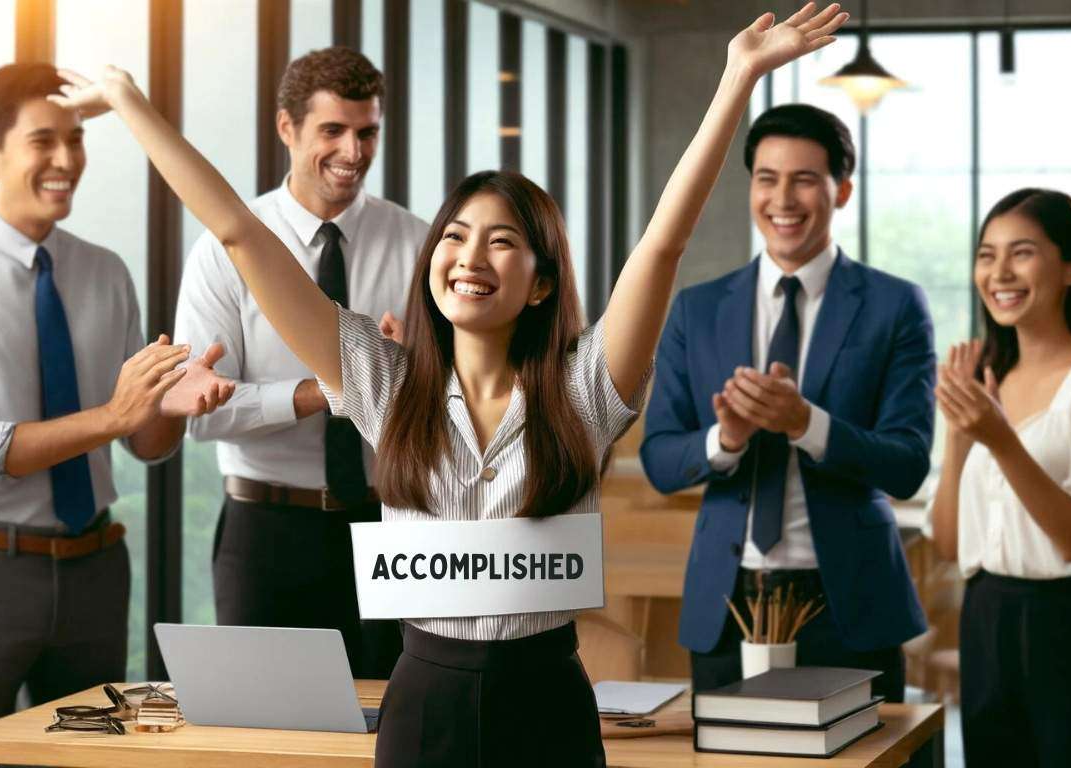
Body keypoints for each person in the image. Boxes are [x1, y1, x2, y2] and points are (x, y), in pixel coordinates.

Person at [51, 3, 847, 763]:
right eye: (456, 236)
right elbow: (238, 233)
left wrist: (736, 79)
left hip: (548, 698)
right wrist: (129, 103)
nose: (470, 256)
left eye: (502, 242)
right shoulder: (384, 384)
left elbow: (662, 247)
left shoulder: (584, 390)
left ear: (540, 282)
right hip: (425, 695)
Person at [0, 62, 232, 768]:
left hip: (94, 570)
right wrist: (113, 416)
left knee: (88, 763)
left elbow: (143, 443)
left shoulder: (106, 271)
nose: (67, 160)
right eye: (43, 141)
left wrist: (169, 406)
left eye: (76, 140)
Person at [640, 102, 932, 701]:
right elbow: (660, 461)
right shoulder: (698, 310)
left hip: (850, 603)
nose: (782, 199)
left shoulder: (895, 306)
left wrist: (806, 424)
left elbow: (907, 464)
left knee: (862, 752)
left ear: (841, 190)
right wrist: (726, 440)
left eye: (804, 180)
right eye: (767, 179)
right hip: (728, 603)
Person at [174, 47, 421, 679]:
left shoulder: (419, 244)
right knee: (265, 721)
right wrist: (325, 391)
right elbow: (201, 415)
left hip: (393, 527)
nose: (354, 152)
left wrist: (417, 370)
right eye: (333, 131)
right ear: (287, 128)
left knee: (395, 715)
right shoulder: (224, 250)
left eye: (367, 132)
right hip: (267, 531)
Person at [928, 188, 1071, 768]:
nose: (999, 272)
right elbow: (950, 545)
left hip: (1070, 630)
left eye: (1022, 252)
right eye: (986, 255)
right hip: (983, 624)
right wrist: (959, 433)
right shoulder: (987, 380)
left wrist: (999, 438)